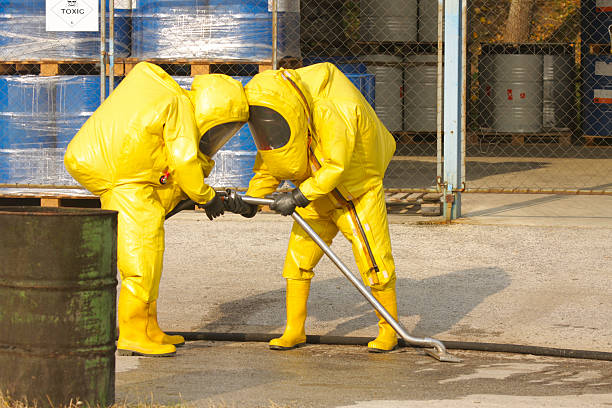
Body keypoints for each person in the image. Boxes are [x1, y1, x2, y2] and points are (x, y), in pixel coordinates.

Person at [64, 62, 249, 357]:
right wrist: (206, 195)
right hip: (128, 184)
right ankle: (133, 333)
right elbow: (185, 159)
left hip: (135, 181)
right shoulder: (180, 106)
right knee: (141, 258)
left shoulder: (169, 99)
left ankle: (149, 327)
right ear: (210, 111)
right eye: (221, 126)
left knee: (151, 254)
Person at [226, 62, 398, 352]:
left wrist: (297, 197)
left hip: (354, 194)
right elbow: (275, 162)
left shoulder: (331, 110)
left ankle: (389, 331)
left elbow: (335, 166)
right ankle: (295, 330)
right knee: (297, 261)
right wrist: (251, 200)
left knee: (374, 261)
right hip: (314, 195)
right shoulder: (279, 114)